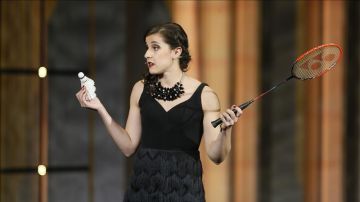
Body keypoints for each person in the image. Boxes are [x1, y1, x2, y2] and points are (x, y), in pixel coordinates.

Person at [76, 22, 242, 202]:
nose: (147, 54)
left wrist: (226, 131)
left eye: (155, 48)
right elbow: (128, 146)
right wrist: (100, 107)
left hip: (185, 191)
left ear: (176, 52)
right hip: (143, 189)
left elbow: (216, 156)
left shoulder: (205, 96)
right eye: (147, 48)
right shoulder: (140, 89)